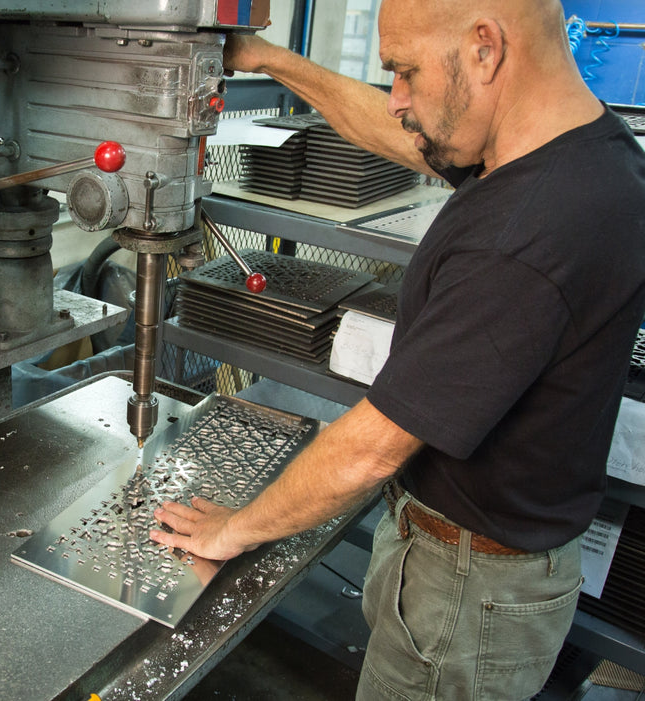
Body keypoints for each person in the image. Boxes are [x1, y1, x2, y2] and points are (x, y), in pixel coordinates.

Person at [150, 0, 645, 698]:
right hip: (484, 566)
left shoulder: (529, 235)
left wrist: (235, 528)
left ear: (484, 48)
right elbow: (402, 135)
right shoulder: (577, 149)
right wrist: (268, 59)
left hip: (466, 597)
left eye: (406, 72)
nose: (399, 100)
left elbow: (371, 447)